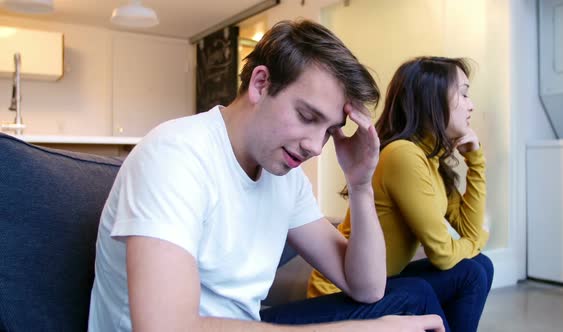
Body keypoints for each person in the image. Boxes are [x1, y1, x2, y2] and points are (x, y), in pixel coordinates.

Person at [88, 21, 445, 332]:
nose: (315, 147)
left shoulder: (284, 176)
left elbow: (367, 288)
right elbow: (167, 328)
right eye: (307, 117)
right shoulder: (175, 155)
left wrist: (361, 184)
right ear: (261, 83)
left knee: (413, 296)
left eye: (328, 130)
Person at [308, 56, 494, 332]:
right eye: (464, 93)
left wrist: (475, 161)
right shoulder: (404, 154)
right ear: (432, 99)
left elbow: (467, 228)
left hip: (377, 282)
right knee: (469, 273)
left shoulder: (430, 157)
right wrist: (478, 240)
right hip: (339, 293)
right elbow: (443, 253)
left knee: (479, 265)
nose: (471, 104)